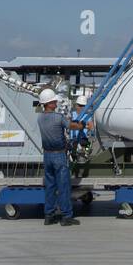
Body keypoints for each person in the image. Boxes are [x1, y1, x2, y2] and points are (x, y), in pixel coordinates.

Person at [37, 88, 88, 226]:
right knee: (64, 186)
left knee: (50, 186)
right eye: (54, 101)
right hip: (59, 155)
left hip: (47, 156)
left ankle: (49, 215)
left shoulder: (40, 118)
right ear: (50, 103)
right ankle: (66, 216)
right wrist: (82, 124)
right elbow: (72, 126)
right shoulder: (58, 118)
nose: (56, 103)